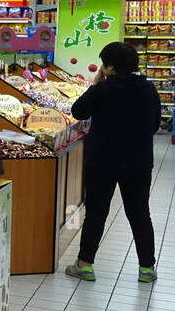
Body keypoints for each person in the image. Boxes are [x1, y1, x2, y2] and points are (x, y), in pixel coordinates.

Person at [64, 41, 161, 283]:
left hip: (102, 161)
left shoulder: (103, 89)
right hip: (138, 162)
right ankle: (147, 269)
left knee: (96, 213)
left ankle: (85, 265)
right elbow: (156, 125)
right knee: (140, 214)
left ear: (109, 66)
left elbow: (78, 112)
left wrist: (96, 83)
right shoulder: (149, 89)